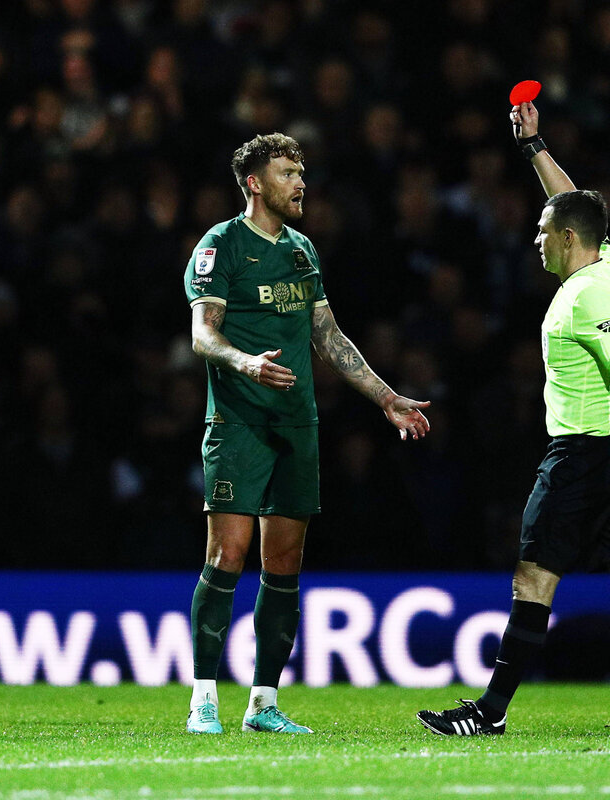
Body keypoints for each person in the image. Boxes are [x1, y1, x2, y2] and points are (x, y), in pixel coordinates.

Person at [415, 102, 610, 737]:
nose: (534, 238)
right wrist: (535, 149)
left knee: (532, 575)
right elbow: (574, 203)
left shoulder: (585, 296)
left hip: (582, 455)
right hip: (604, 454)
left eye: (541, 231)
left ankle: (490, 713)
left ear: (566, 241)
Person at [183, 133, 431, 734]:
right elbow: (201, 334)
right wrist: (244, 362)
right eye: (288, 173)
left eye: (301, 172)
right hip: (238, 421)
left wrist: (385, 397)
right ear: (255, 183)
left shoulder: (301, 251)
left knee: (285, 561)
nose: (300, 182)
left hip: (297, 424)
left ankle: (263, 703)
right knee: (227, 554)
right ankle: (203, 698)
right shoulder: (220, 245)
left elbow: (330, 338)